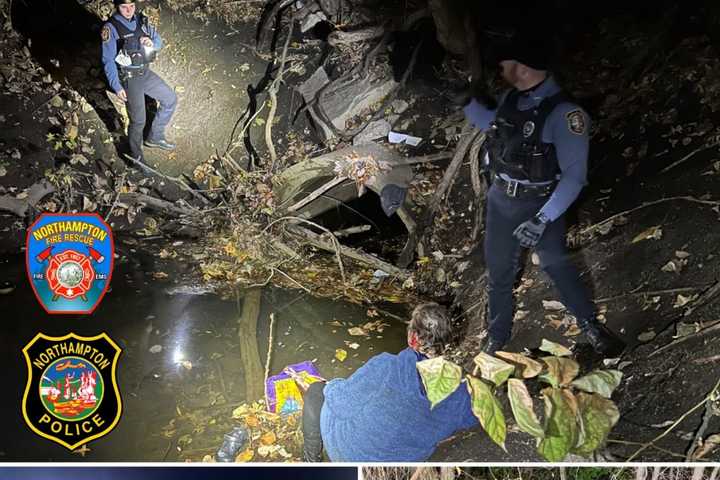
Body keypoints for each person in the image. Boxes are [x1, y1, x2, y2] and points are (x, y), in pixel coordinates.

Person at [463, 32, 612, 355]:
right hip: (501, 200)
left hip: (540, 202)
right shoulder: (511, 100)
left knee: (556, 262)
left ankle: (590, 325)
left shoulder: (566, 115)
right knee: (499, 271)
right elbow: (492, 125)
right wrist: (466, 101)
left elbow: (574, 178)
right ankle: (497, 336)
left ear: (522, 67)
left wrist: (542, 219)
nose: (500, 72)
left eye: (504, 65)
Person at [301, 303, 478, 462]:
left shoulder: (385, 365)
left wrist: (332, 384)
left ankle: (310, 460)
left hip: (347, 454)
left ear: (412, 338)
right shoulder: (459, 393)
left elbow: (341, 403)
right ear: (447, 342)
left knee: (317, 391)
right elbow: (472, 418)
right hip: (399, 460)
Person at [101, 0, 177, 164]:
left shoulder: (142, 20)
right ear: (117, 6)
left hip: (145, 72)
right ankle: (136, 159)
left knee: (170, 99)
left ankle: (155, 137)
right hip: (129, 78)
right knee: (138, 120)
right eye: (123, 7)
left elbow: (158, 41)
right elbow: (107, 60)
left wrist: (152, 43)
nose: (128, 10)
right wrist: (116, 85)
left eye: (131, 6)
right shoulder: (111, 28)